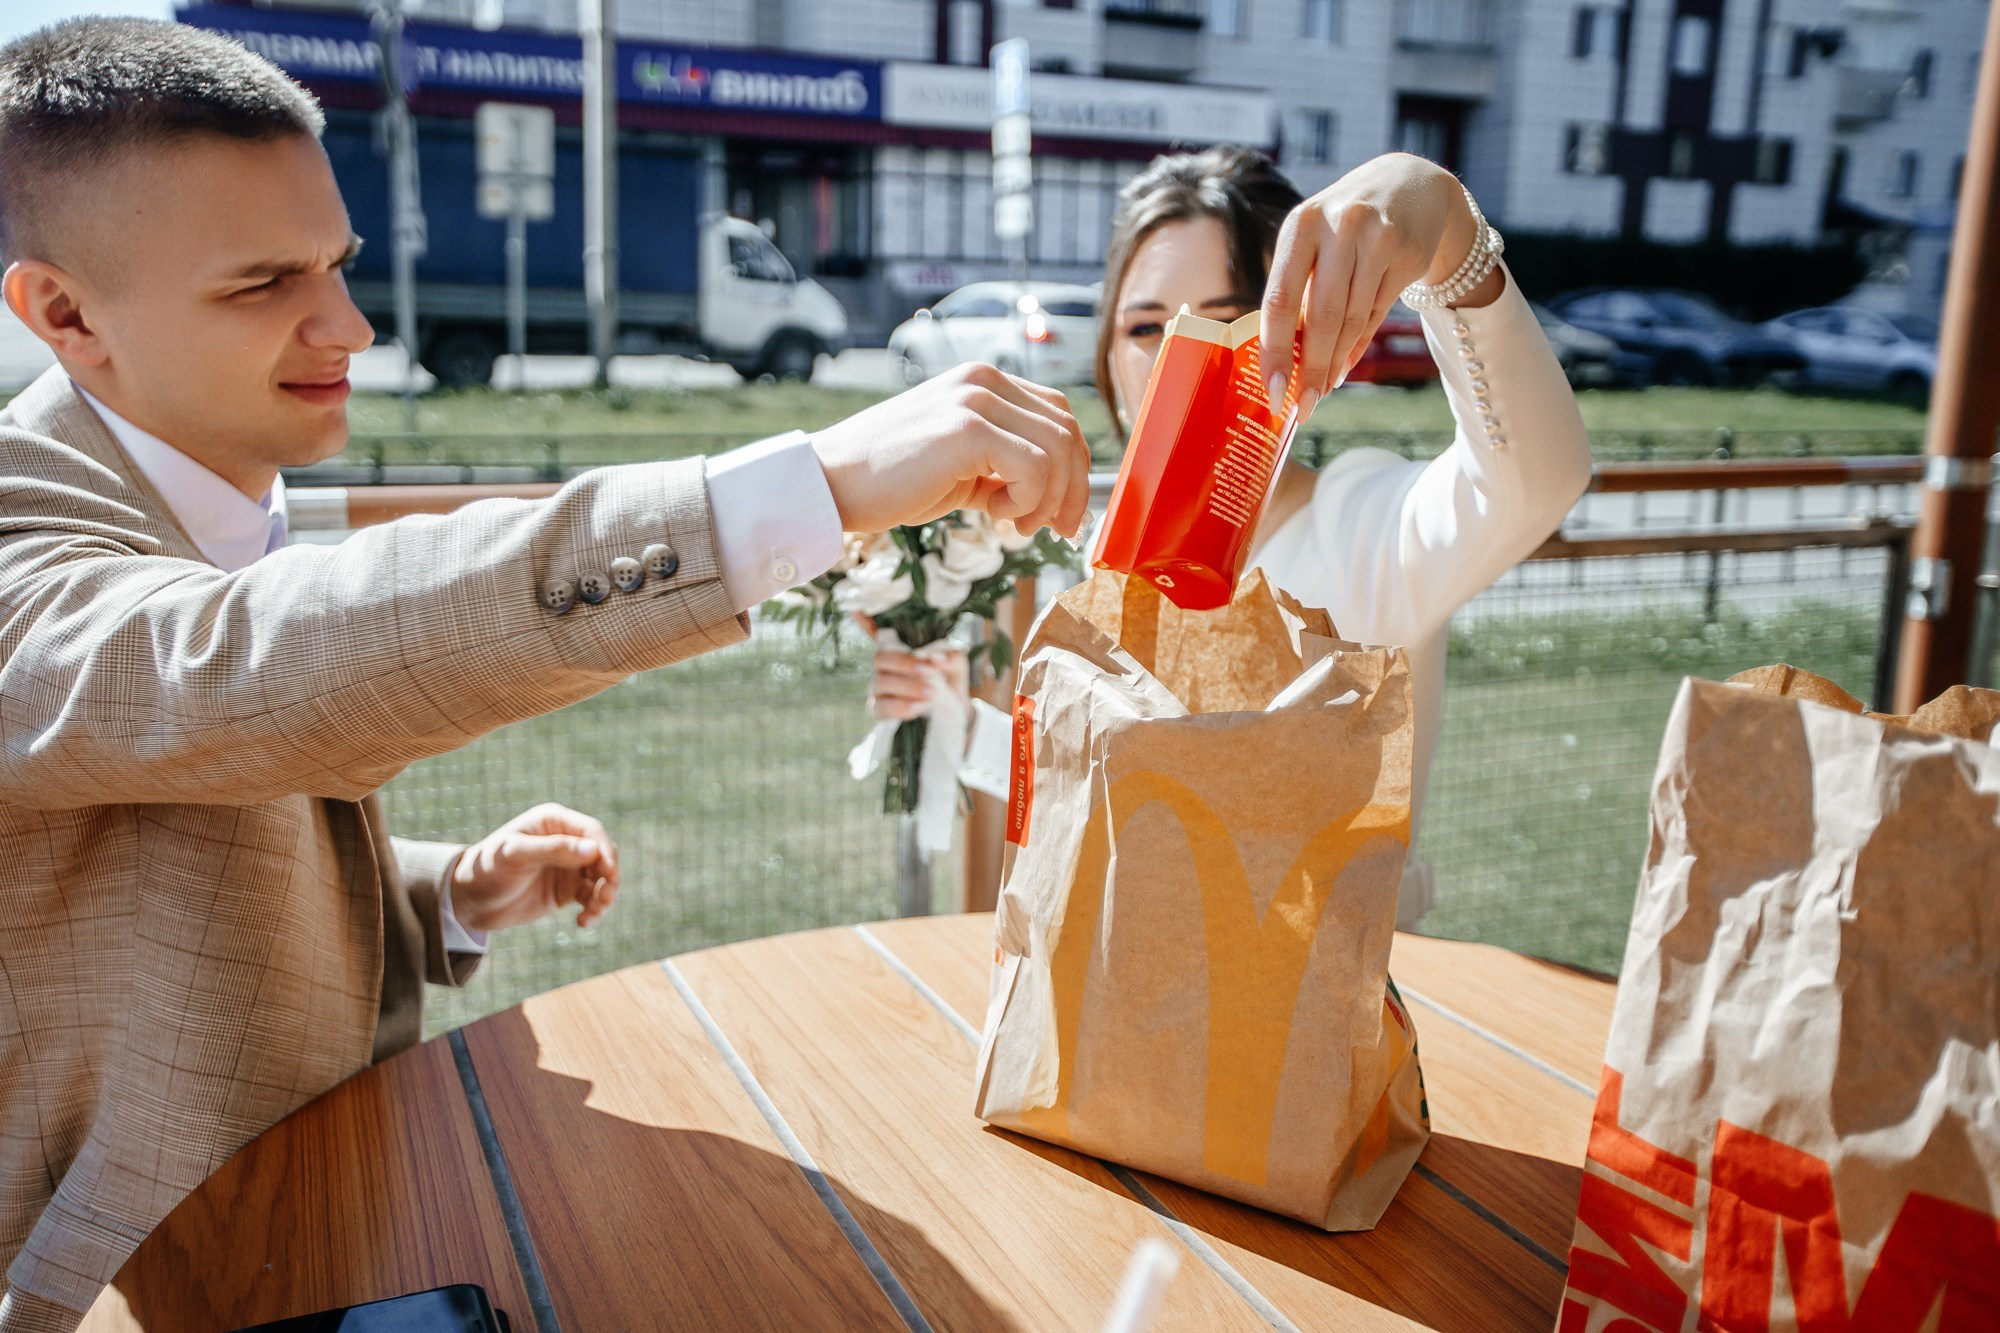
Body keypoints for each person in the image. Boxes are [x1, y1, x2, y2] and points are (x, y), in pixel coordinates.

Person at [0, 19, 1087, 1327]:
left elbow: (156, 832)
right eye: (261, 284)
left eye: (338, 263)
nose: (349, 322)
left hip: (339, 1219)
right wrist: (809, 490)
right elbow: (240, 667)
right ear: (63, 311)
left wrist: (440, 890)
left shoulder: (198, 474)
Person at [870, 147, 1593, 925]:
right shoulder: (1097, 554)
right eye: (1146, 325)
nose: (1179, 352)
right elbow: (1099, 798)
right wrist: (959, 719)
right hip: (1113, 1008)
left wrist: (1448, 231)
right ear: (1109, 357)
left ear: (1304, 332)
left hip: (1311, 1028)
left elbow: (1538, 477)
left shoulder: (1360, 525)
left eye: (1224, 322)